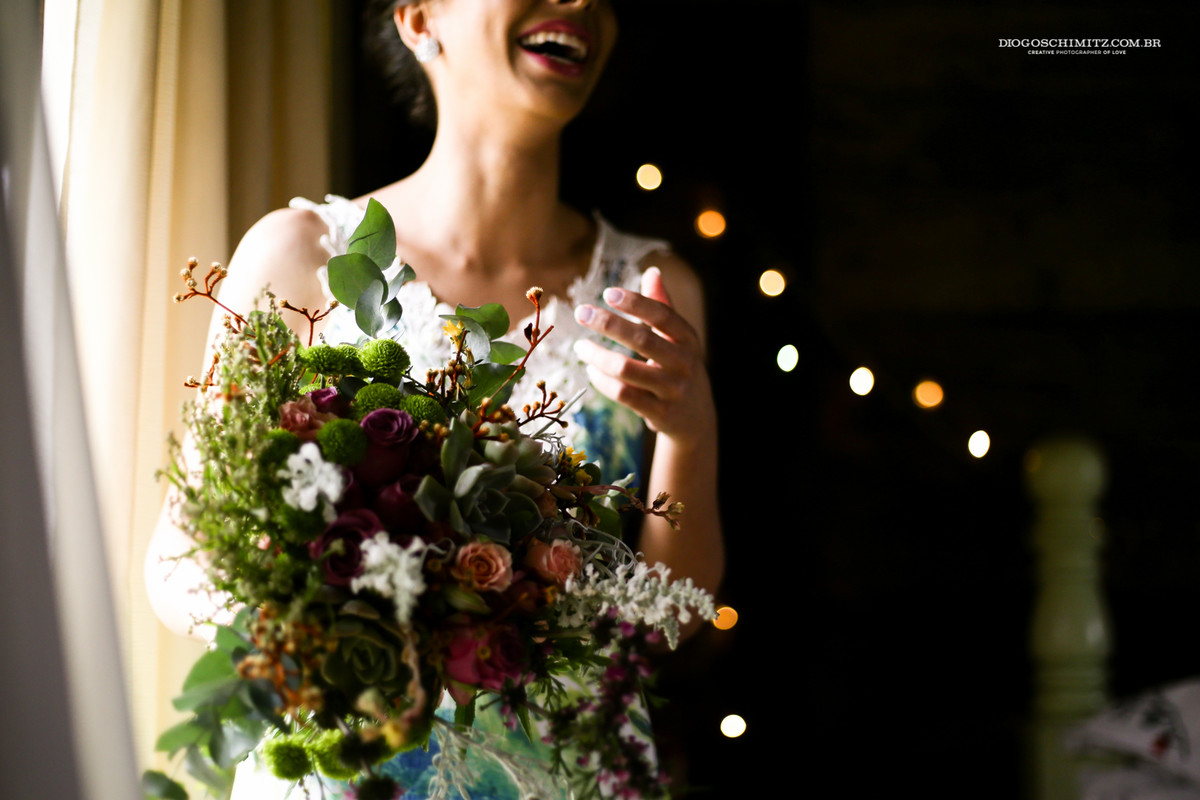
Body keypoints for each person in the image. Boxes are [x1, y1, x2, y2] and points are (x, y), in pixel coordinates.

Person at [148, 0, 723, 796]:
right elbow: (180, 566)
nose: (580, 2)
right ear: (419, 18)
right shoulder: (298, 259)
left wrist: (691, 432)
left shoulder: (651, 293)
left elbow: (669, 619)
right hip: (343, 773)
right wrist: (342, 612)